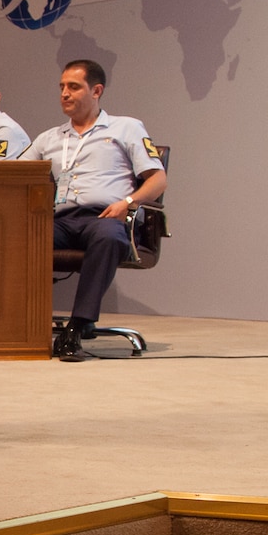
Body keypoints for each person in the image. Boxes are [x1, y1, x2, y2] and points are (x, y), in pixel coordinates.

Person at [25, 60, 166, 362]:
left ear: (97, 90)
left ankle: (77, 326)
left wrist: (128, 203)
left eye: (73, 87)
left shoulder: (125, 127)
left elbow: (158, 179)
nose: (64, 93)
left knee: (109, 238)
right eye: (62, 87)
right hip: (60, 219)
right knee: (18, 238)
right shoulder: (49, 138)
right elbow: (14, 175)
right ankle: (16, 324)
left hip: (106, 216)